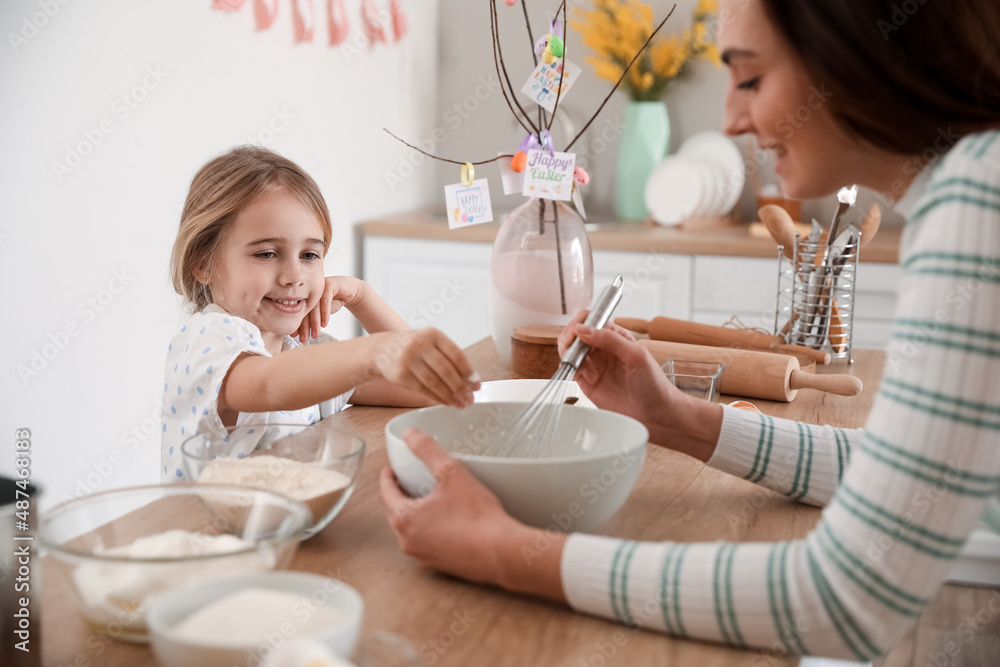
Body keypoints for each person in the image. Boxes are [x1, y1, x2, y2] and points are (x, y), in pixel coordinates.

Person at [379, 0, 1000, 659]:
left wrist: (500, 549)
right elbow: (902, 477)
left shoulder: (976, 197)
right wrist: (674, 417)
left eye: (752, 79)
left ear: (862, 54)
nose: (731, 119)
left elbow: (843, 597)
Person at [162, 146, 479, 481]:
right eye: (267, 253)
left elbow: (424, 391)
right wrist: (374, 351)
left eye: (310, 255)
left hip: (284, 523)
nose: (294, 275)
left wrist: (362, 296)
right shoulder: (205, 339)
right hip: (209, 530)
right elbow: (270, 384)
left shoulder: (306, 351)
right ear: (202, 263)